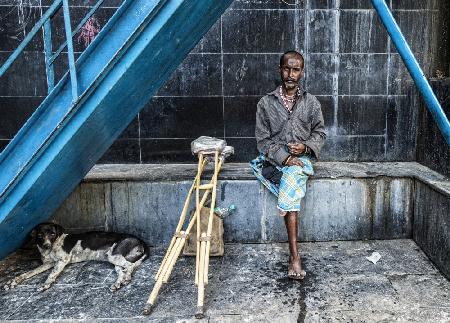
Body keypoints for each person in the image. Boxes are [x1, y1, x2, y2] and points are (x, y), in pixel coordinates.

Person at [250, 50, 326, 280]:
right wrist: (283, 156)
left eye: (295, 69)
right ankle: (285, 183)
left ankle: (294, 257)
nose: (290, 74)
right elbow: (262, 141)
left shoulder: (311, 102)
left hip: (300, 161)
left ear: (302, 72)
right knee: (284, 172)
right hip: (274, 159)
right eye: (286, 68)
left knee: (292, 176)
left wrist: (303, 148)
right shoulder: (265, 103)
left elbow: (320, 133)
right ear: (279, 69)